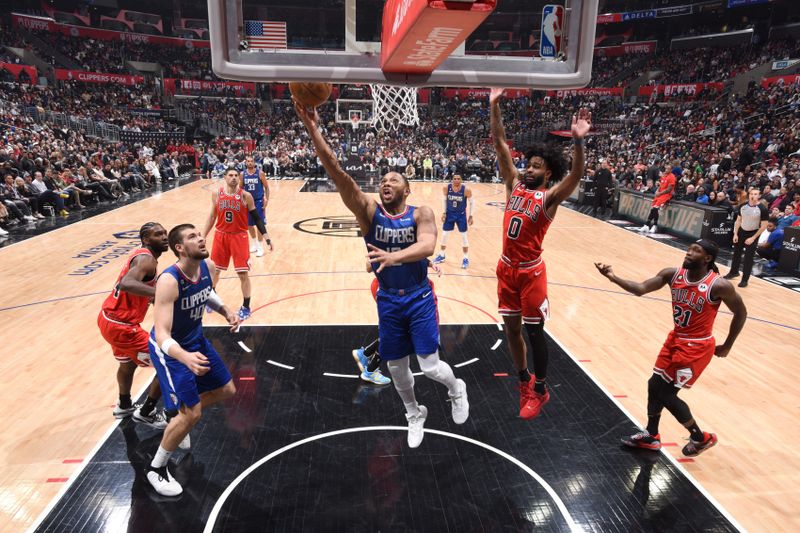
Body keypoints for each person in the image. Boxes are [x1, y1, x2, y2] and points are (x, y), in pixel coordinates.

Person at [295, 101, 469, 448]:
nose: (386, 182)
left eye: (394, 180)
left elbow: (428, 247)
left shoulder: (421, 212)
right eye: (384, 179)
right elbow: (338, 174)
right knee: (395, 368)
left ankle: (456, 388)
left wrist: (393, 256)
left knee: (431, 367)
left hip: (419, 297)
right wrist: (314, 130)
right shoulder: (368, 212)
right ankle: (414, 413)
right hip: (389, 300)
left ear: (407, 189)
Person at [489, 88, 590, 420]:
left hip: (531, 272)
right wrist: (494, 105)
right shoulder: (514, 185)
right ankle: (523, 381)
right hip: (506, 269)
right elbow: (500, 144)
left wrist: (577, 142)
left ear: (547, 173)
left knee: (535, 332)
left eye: (536, 167)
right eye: (528, 165)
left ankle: (541, 388)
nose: (529, 170)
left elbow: (574, 175)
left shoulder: (548, 198)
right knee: (511, 330)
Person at [595, 239, 747, 457]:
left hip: (697, 346)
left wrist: (728, 345)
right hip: (676, 338)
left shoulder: (719, 285)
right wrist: (612, 277)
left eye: (696, 251)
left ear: (708, 259)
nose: (689, 252)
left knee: (665, 393)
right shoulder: (672, 274)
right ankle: (651, 435)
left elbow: (741, 312)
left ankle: (700, 437)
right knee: (653, 385)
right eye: (690, 248)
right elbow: (640, 289)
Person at [146, 224, 239, 496]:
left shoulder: (206, 267)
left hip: (196, 341)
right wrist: (184, 356)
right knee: (194, 413)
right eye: (192, 237)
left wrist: (224, 310)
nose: (200, 238)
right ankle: (157, 468)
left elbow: (206, 292)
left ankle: (177, 415)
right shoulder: (169, 280)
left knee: (227, 390)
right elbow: (162, 335)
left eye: (200, 234)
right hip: (171, 351)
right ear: (179, 248)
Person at [97, 222, 169, 428]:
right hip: (122, 326)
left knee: (127, 364)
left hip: (108, 318)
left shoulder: (143, 256)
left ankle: (125, 404)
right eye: (158, 234)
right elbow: (127, 284)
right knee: (169, 363)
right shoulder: (147, 260)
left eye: (164, 233)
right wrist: (161, 294)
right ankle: (146, 411)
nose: (164, 237)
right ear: (146, 240)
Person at [353, 260, 442, 385]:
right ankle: (370, 370)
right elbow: (368, 266)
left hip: (396, 289)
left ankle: (365, 353)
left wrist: (430, 263)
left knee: (398, 331)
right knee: (396, 334)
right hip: (391, 291)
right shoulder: (388, 245)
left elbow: (415, 255)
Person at [202, 167, 269, 321]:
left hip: (239, 237)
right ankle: (212, 299)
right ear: (224, 177)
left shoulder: (246, 196)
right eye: (230, 175)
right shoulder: (217, 194)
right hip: (221, 236)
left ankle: (246, 306)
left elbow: (257, 218)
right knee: (215, 271)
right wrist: (203, 235)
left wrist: (266, 236)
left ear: (239, 179)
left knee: (243, 274)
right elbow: (212, 216)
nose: (233, 178)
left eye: (235, 176)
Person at [724, 187, 768, 288]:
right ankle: (733, 272)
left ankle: (745, 279)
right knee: (736, 253)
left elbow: (764, 225)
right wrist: (735, 233)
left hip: (753, 233)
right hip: (741, 231)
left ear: (759, 196)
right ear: (749, 195)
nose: (753, 196)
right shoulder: (743, 206)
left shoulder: (762, 209)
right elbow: (738, 220)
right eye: (751, 194)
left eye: (755, 194)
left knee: (748, 257)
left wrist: (753, 238)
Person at [432, 174, 474, 269]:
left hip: (461, 215)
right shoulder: (446, 188)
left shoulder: (466, 190)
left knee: (464, 236)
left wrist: (471, 216)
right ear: (452, 180)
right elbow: (444, 200)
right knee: (444, 235)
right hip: (450, 214)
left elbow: (472, 203)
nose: (456, 180)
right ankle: (442, 255)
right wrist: (444, 212)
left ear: (461, 180)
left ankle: (465, 258)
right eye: (454, 178)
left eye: (458, 179)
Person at [240, 155, 273, 257]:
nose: (250, 163)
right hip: (247, 203)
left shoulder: (260, 173)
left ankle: (260, 247)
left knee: (259, 225)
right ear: (246, 163)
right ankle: (254, 244)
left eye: (251, 161)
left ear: (254, 163)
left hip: (258, 202)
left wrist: (266, 199)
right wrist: (242, 200)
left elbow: (267, 188)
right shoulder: (242, 174)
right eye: (248, 161)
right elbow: (240, 189)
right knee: (249, 225)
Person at [638, 166, 675, 233]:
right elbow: (661, 185)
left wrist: (660, 193)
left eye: (668, 169)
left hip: (666, 195)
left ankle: (654, 226)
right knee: (653, 209)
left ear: (671, 170)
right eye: (666, 168)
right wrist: (657, 191)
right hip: (660, 194)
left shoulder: (672, 177)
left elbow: (669, 189)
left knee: (655, 208)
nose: (666, 170)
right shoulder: (664, 175)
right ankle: (647, 225)